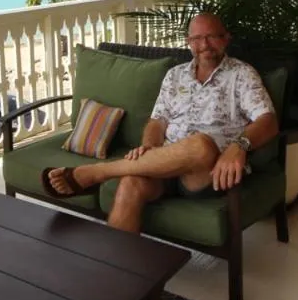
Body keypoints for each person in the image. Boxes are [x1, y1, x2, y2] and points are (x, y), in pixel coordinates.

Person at [42, 12, 278, 233]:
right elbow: (157, 121)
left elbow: (267, 120)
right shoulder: (175, 75)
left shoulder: (242, 74)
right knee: (130, 184)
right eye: (197, 38)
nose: (204, 45)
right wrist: (149, 149)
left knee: (200, 145)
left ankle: (97, 173)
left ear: (226, 39)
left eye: (211, 37)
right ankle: (115, 270)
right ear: (189, 42)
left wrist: (240, 146)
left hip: (208, 172)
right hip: (164, 167)